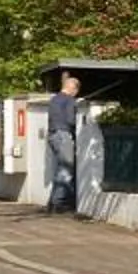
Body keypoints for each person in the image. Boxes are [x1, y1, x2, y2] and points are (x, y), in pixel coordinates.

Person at [45, 72, 82, 213]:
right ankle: (58, 202)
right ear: (73, 88)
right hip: (63, 134)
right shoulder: (69, 100)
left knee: (60, 168)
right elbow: (71, 120)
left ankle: (53, 202)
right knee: (66, 168)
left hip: (53, 135)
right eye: (76, 91)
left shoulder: (54, 99)